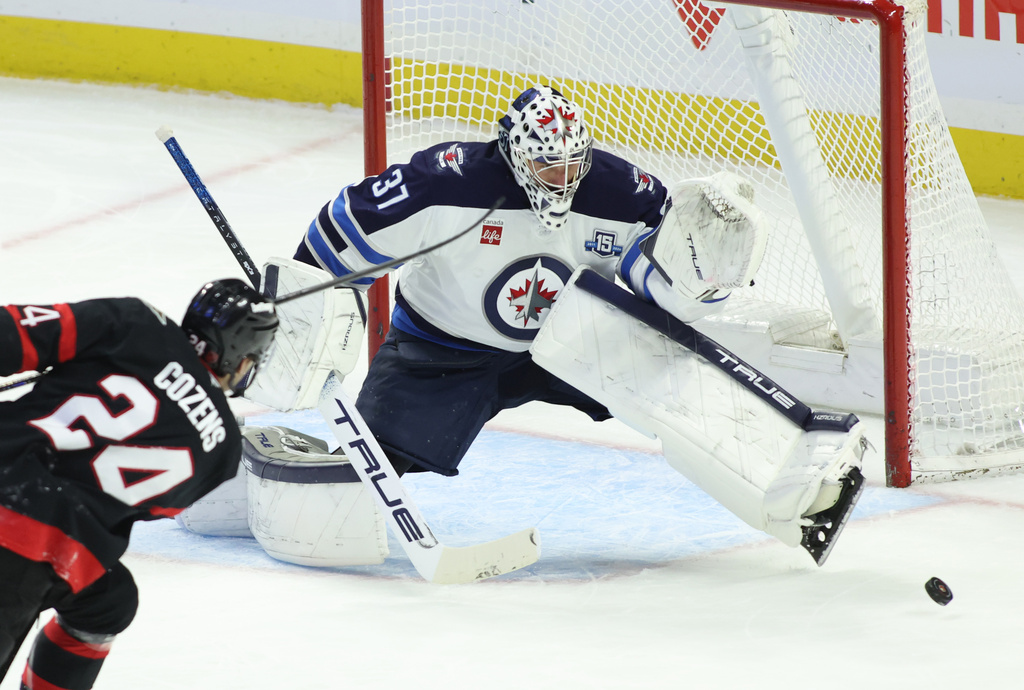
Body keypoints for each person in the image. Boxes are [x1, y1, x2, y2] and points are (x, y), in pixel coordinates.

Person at [243, 85, 865, 567]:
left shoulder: (622, 191)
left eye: (572, 166)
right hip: (442, 345)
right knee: (377, 465)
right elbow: (342, 230)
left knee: (685, 392)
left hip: (574, 334)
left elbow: (657, 280)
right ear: (515, 156)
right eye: (546, 168)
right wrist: (304, 308)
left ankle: (798, 489)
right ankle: (261, 488)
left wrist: (697, 274)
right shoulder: (444, 184)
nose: (562, 181)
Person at [0, 279, 278, 689]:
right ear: (242, 359)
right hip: (47, 553)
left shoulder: (136, 321)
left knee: (111, 599)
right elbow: (149, 507)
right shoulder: (223, 450)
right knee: (109, 599)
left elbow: (11, 333)